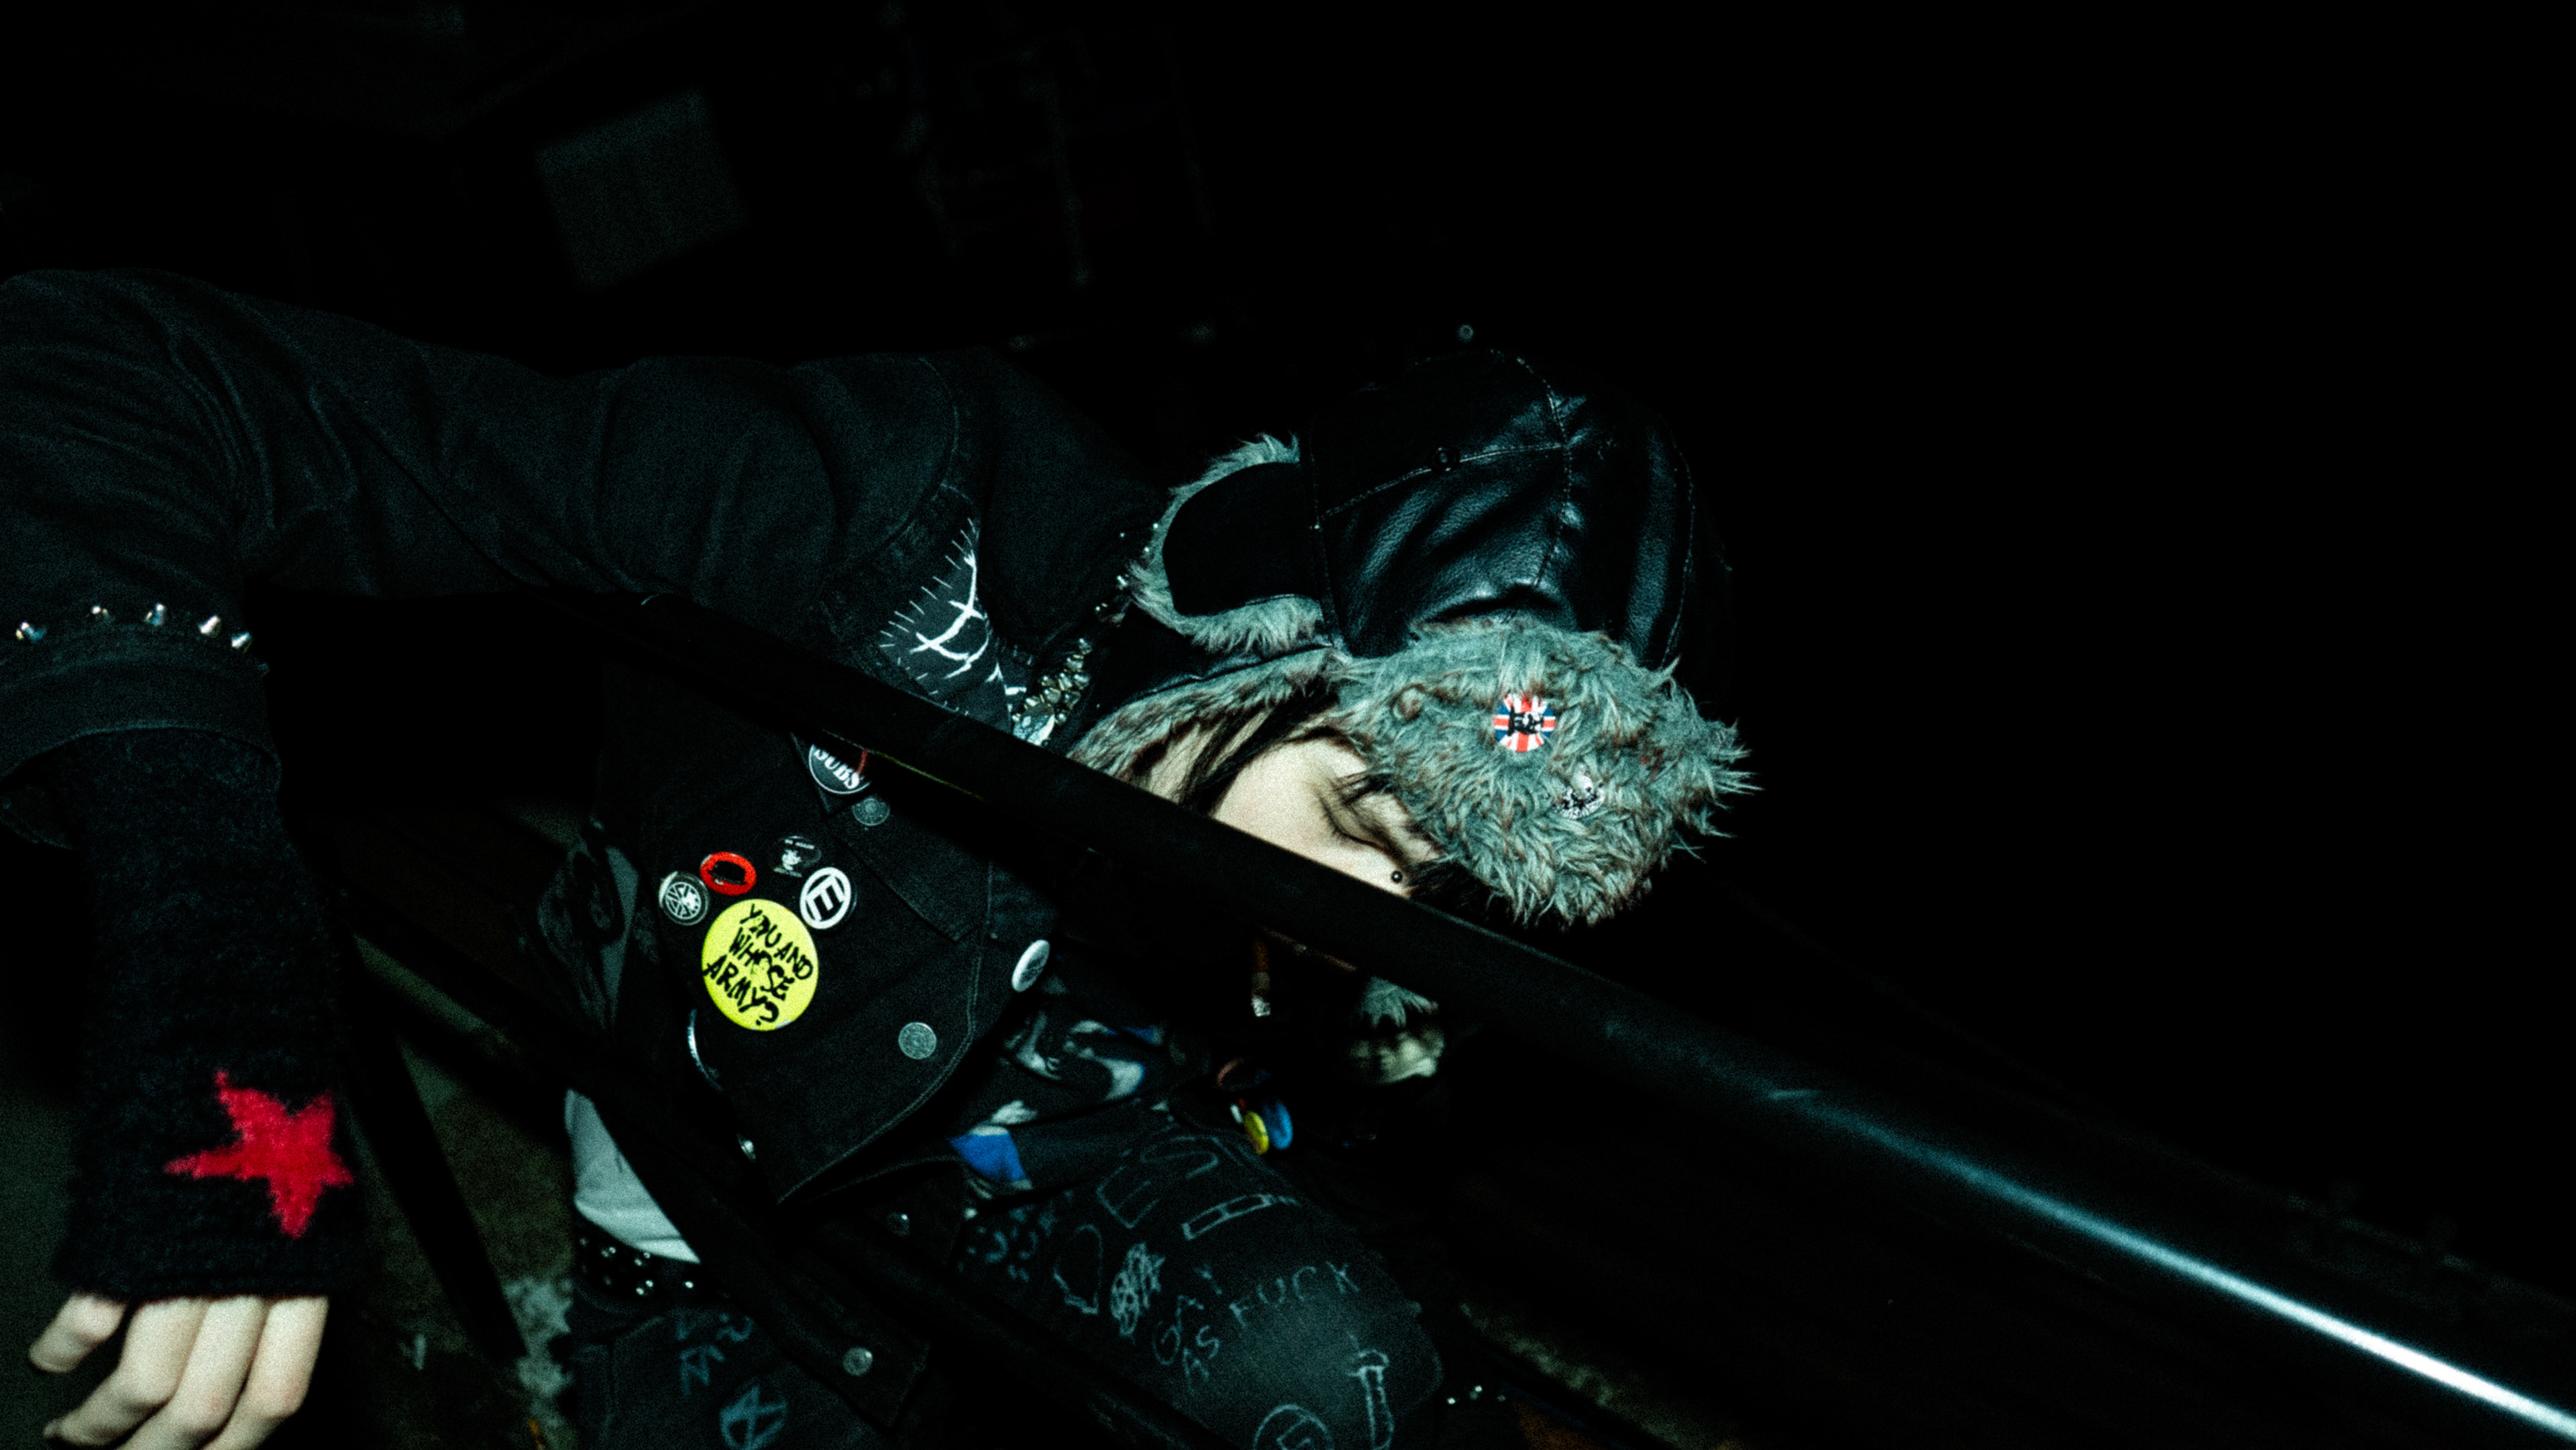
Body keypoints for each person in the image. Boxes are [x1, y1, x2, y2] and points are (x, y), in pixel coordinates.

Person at [0, 268, 1747, 1449]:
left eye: (1433, 890)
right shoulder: (898, 503)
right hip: (723, 1197)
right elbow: (94, 367)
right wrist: (221, 1002)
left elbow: (1354, 1157)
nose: (1369, 922)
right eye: (1363, 828)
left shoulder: (1346, 893)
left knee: (1354, 1375)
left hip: (1069, 1154)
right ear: (1251, 618)